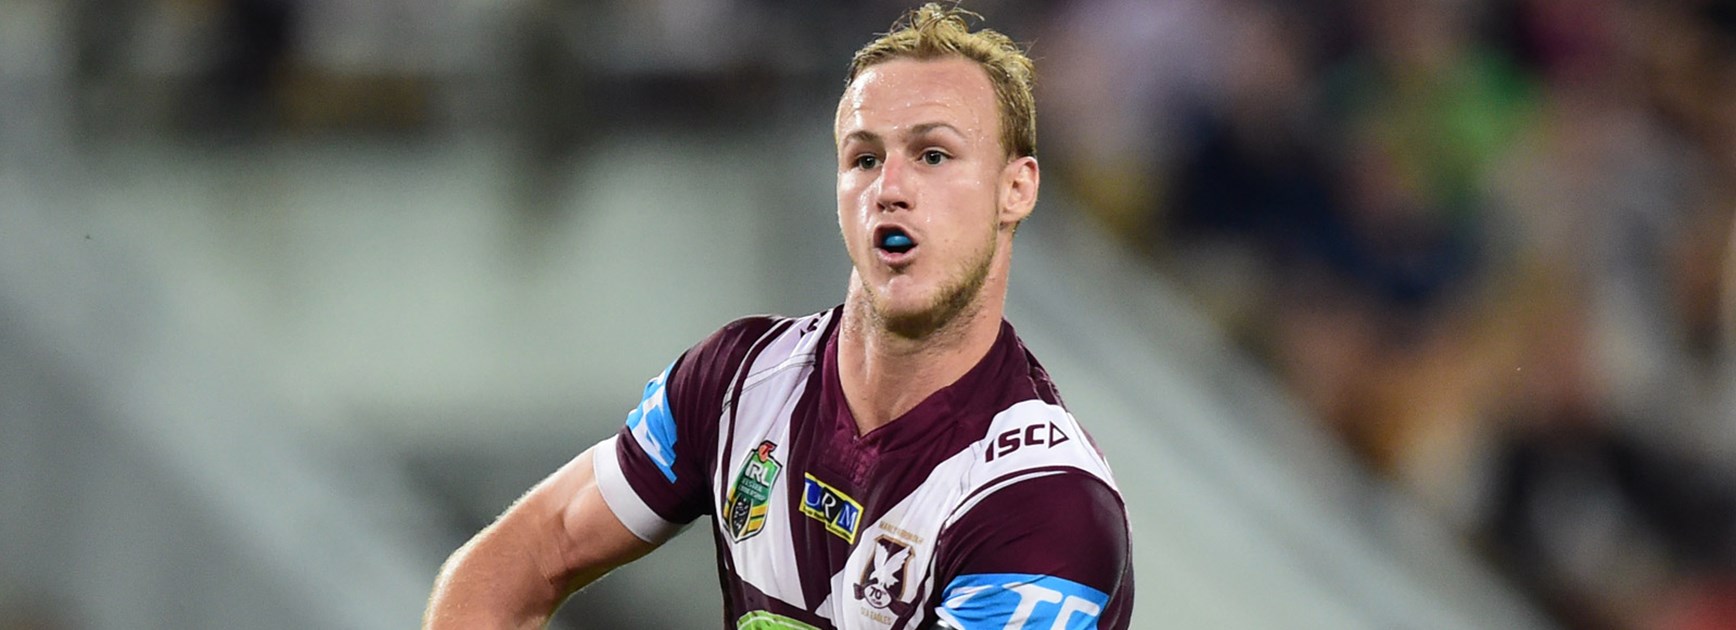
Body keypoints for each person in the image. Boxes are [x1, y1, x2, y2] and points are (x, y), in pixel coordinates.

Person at [423, 5, 1134, 629]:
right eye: (863, 158)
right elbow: (519, 560)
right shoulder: (737, 380)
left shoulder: (1044, 504)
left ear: (1016, 189)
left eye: (934, 154)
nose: (890, 188)